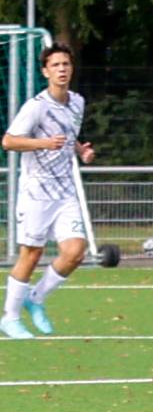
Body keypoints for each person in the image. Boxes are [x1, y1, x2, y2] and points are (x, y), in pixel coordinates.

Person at [1, 42, 95, 339]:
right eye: (55, 65)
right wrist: (42, 143)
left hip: (65, 192)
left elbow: (68, 136)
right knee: (32, 253)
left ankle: (35, 298)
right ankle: (10, 317)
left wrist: (81, 151)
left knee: (75, 251)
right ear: (46, 71)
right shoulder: (36, 107)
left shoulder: (77, 102)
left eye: (66, 64)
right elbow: (9, 141)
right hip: (36, 192)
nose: (62, 70)